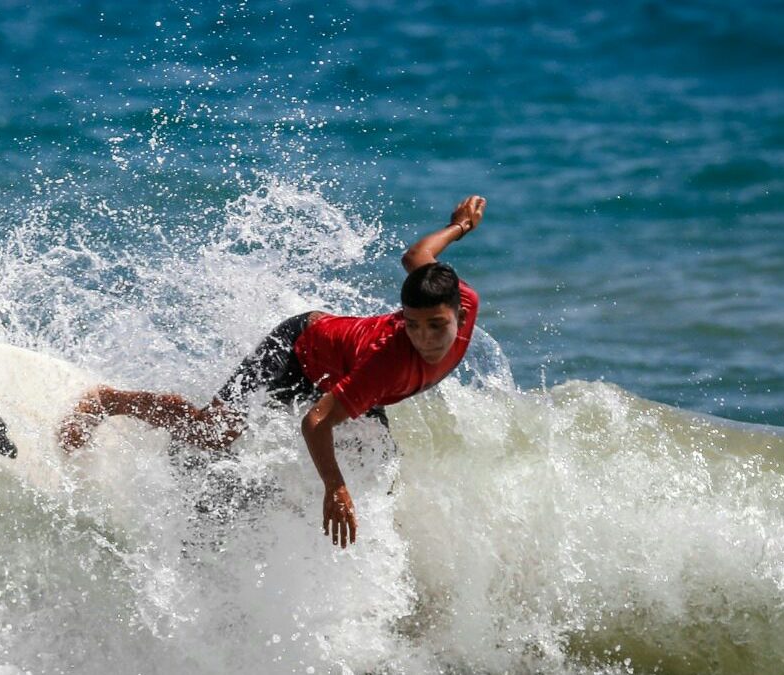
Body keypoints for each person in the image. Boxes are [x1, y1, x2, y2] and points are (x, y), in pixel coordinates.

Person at [60, 195, 486, 549]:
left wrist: (461, 226)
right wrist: (333, 486)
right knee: (216, 431)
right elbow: (316, 422)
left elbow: (417, 257)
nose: (424, 338)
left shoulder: (463, 298)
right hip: (297, 351)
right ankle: (109, 401)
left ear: (460, 315)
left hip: (339, 364)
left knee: (382, 465)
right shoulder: (386, 362)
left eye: (436, 326)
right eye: (412, 325)